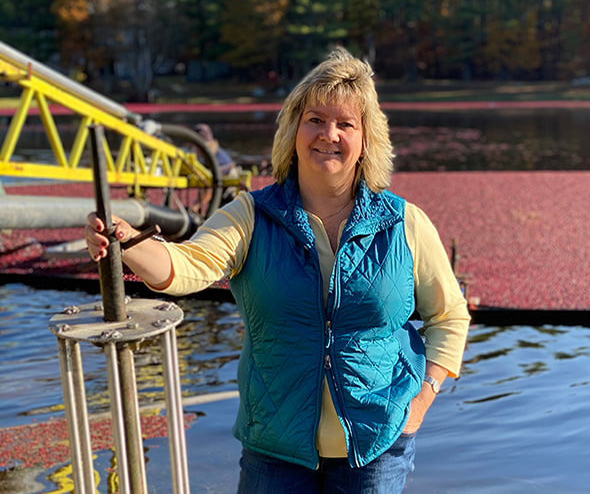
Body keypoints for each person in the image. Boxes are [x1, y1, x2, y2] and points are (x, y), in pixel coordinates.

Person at [85, 47, 470, 493]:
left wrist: (423, 399)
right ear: (293, 131)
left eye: (346, 123)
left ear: (366, 140)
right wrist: (127, 241)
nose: (329, 134)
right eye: (316, 120)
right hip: (275, 450)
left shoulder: (405, 223)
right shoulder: (251, 214)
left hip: (376, 448)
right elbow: (187, 266)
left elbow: (449, 316)